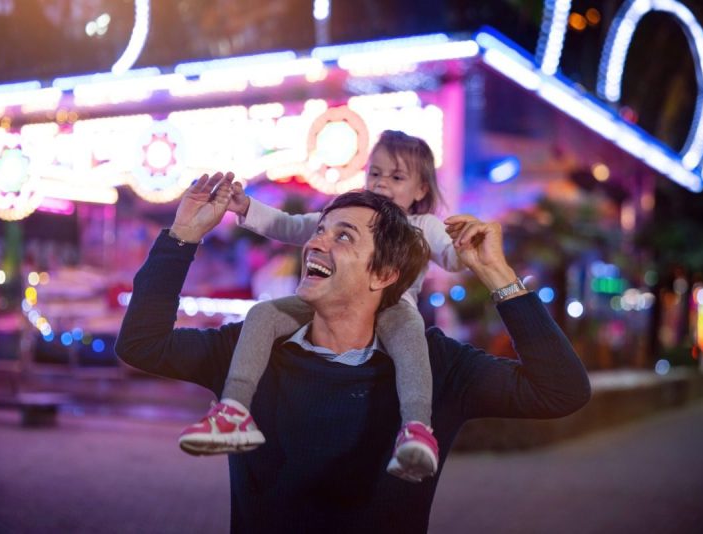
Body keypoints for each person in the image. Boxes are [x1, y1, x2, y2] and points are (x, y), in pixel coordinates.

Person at [115, 173, 591, 533]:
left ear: (382, 275)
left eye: (343, 236)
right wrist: (181, 238)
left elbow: (560, 391)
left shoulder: (436, 365)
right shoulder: (252, 351)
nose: (317, 242)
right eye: (321, 231)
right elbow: (141, 344)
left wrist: (496, 274)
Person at [178, 130, 463, 483]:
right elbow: (290, 225)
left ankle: (417, 428)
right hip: (329, 302)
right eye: (375, 172)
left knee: (411, 337)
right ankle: (234, 408)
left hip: (393, 305)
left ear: (421, 190)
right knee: (264, 313)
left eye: (396, 176)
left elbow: (452, 258)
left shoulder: (422, 225)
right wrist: (246, 207)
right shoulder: (348, 215)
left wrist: (467, 244)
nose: (381, 183)